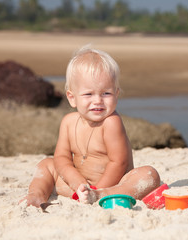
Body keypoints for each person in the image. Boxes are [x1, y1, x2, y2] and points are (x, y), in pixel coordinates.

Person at [20, 46, 160, 207]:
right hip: (78, 188)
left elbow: (118, 163)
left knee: (148, 174)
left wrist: (97, 191)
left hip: (113, 186)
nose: (98, 100)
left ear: (116, 94)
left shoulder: (111, 122)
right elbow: (62, 159)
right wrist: (77, 183)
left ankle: (100, 195)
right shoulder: (68, 122)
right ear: (72, 98)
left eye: (106, 93)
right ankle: (36, 195)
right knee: (47, 164)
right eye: (88, 94)